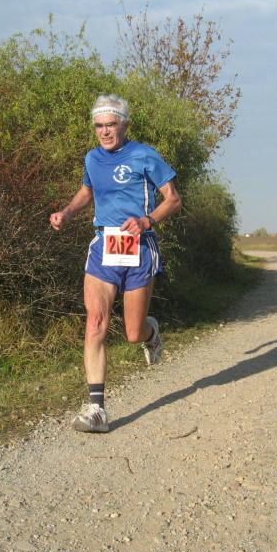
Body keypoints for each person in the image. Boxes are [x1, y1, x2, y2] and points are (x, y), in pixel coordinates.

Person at [49, 94, 182, 433]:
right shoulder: (92, 158)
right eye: (99, 126)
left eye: (111, 124)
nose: (105, 131)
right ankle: (97, 409)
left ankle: (151, 333)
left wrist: (146, 221)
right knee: (95, 321)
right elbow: (87, 192)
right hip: (104, 245)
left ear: (124, 125)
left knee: (132, 333)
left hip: (139, 246)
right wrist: (66, 212)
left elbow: (173, 199)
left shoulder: (144, 155)